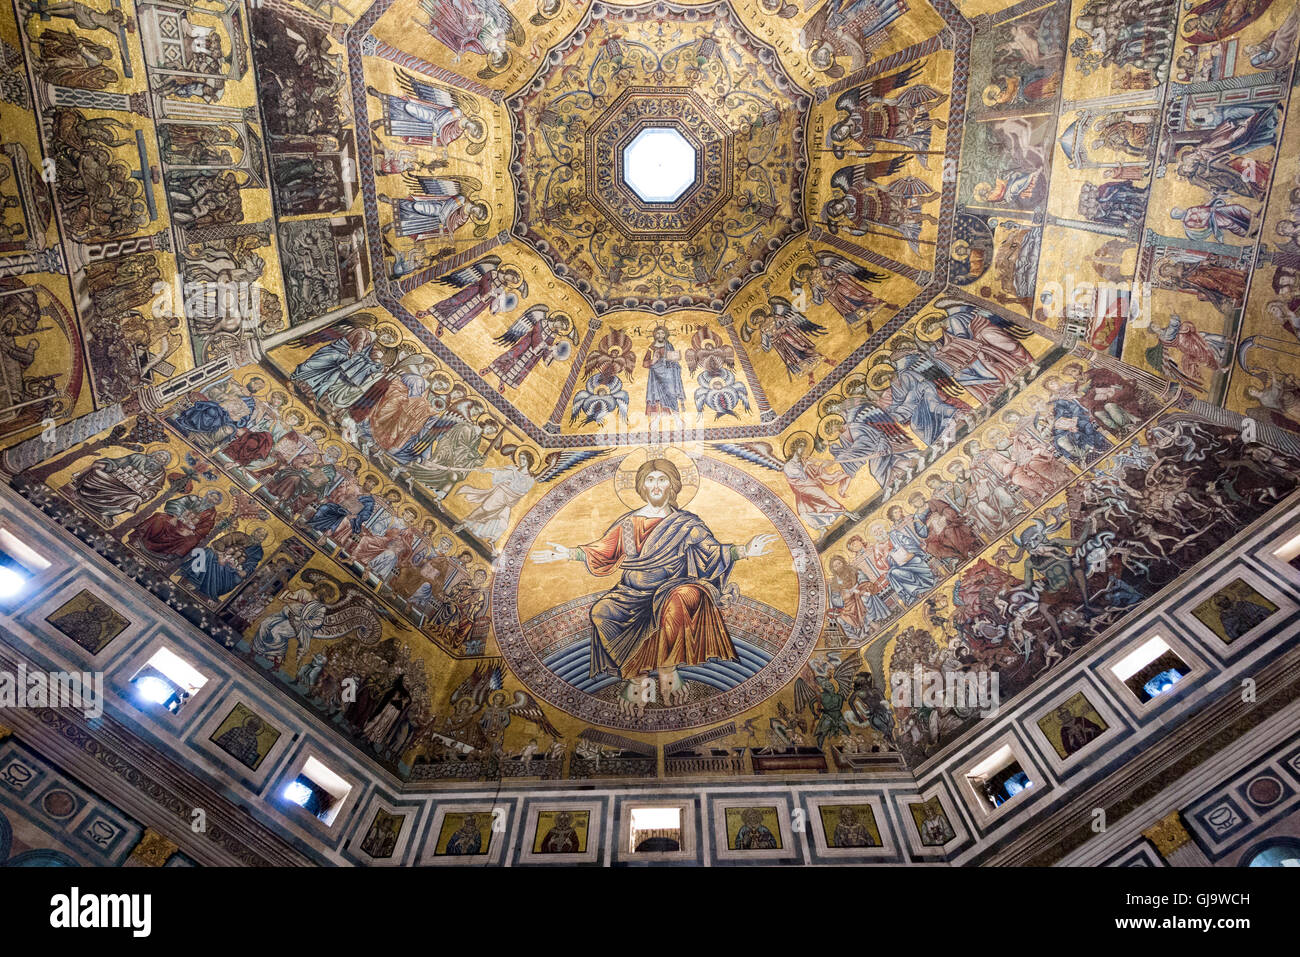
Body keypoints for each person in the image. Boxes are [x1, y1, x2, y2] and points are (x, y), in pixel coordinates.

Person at [530, 458, 776, 705]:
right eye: (650, 480)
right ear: (643, 487)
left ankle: (669, 669)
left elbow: (712, 551)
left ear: (672, 486)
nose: (656, 485)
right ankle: (637, 675)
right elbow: (604, 551)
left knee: (683, 597)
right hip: (632, 592)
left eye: (662, 479)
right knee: (600, 612)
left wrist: (744, 550)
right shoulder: (628, 523)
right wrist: (568, 553)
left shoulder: (686, 523)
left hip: (673, 587)